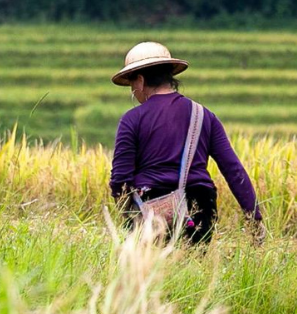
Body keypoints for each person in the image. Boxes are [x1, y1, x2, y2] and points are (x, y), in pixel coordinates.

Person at [109, 41, 264, 244]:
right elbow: (233, 169)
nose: (133, 92)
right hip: (199, 208)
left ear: (139, 80)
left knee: (153, 274)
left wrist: (131, 218)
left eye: (131, 86)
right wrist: (254, 216)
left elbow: (120, 180)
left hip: (150, 209)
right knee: (194, 271)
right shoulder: (204, 116)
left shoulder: (132, 119)